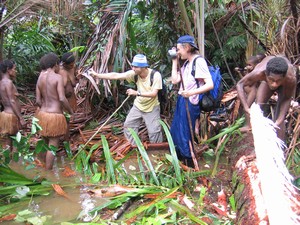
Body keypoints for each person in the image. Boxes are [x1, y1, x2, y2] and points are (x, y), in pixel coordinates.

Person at [89, 54, 163, 145]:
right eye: (133, 66)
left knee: (154, 131)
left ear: (143, 67)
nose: (133, 68)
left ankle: (157, 152)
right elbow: (116, 75)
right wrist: (97, 75)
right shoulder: (134, 74)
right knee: (129, 126)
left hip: (152, 107)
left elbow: (153, 94)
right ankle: (134, 147)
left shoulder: (155, 75)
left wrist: (136, 93)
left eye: (135, 66)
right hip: (138, 106)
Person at [170, 35, 213, 166]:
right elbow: (174, 80)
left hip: (190, 101)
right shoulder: (188, 63)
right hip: (182, 100)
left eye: (179, 49)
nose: (178, 52)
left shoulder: (198, 61)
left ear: (187, 47)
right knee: (175, 130)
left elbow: (209, 84)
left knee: (184, 132)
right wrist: (174, 61)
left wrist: (191, 92)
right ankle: (179, 160)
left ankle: (189, 163)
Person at [236, 56, 296, 141]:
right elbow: (240, 84)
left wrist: (279, 120)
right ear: (265, 74)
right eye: (272, 80)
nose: (275, 84)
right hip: (266, 81)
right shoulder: (259, 72)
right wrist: (246, 108)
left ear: (284, 77)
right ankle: (250, 128)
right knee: (258, 106)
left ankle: (280, 147)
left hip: (284, 85)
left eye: (278, 81)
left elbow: (287, 98)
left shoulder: (290, 78)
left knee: (279, 119)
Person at [35, 53, 73, 170]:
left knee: (44, 142)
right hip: (55, 116)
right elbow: (62, 98)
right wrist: (70, 110)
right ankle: (48, 171)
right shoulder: (57, 78)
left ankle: (39, 167)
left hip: (42, 115)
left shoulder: (40, 77)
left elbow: (37, 100)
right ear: (55, 64)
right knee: (53, 145)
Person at [0, 59, 26, 151]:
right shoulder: (8, 82)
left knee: (8, 141)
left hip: (5, 114)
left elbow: (5, 98)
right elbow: (12, 101)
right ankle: (15, 163)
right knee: (15, 142)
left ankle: (8, 162)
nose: (16, 71)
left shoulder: (2, 82)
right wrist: (21, 118)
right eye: (14, 68)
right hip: (11, 116)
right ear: (8, 69)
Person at [58, 52, 78, 141]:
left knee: (67, 121)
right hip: (62, 100)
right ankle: (60, 139)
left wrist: (78, 78)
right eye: (70, 65)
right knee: (62, 120)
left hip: (70, 98)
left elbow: (74, 83)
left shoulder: (72, 68)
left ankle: (66, 140)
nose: (72, 66)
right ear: (64, 64)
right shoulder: (59, 71)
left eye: (73, 64)